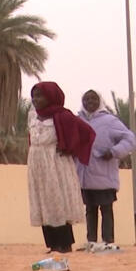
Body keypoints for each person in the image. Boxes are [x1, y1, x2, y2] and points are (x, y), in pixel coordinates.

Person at [28, 82, 95, 254]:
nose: (36, 99)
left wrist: (69, 148)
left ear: (51, 96)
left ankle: (64, 245)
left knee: (58, 203)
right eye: (34, 95)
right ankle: (52, 245)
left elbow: (86, 132)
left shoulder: (63, 116)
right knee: (43, 202)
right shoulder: (32, 116)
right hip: (37, 164)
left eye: (40, 95)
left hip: (56, 164)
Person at [77, 90, 135, 248]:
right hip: (84, 177)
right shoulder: (78, 120)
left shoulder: (109, 121)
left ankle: (108, 242)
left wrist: (114, 152)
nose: (90, 101)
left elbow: (130, 138)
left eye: (93, 98)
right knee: (90, 210)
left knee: (106, 209)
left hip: (104, 176)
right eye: (86, 98)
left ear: (100, 101)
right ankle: (92, 242)